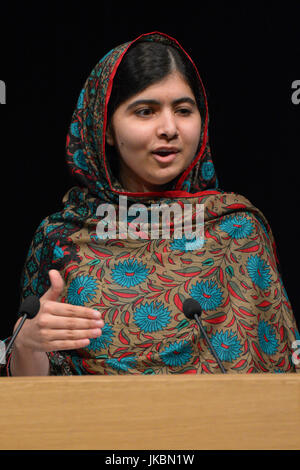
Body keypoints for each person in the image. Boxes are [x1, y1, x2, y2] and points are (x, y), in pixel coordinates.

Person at [4, 31, 300, 375]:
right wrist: (26, 345)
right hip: (92, 428)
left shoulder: (237, 231)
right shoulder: (60, 238)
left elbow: (281, 378)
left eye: (184, 110)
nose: (170, 128)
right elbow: (34, 399)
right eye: (145, 111)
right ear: (106, 129)